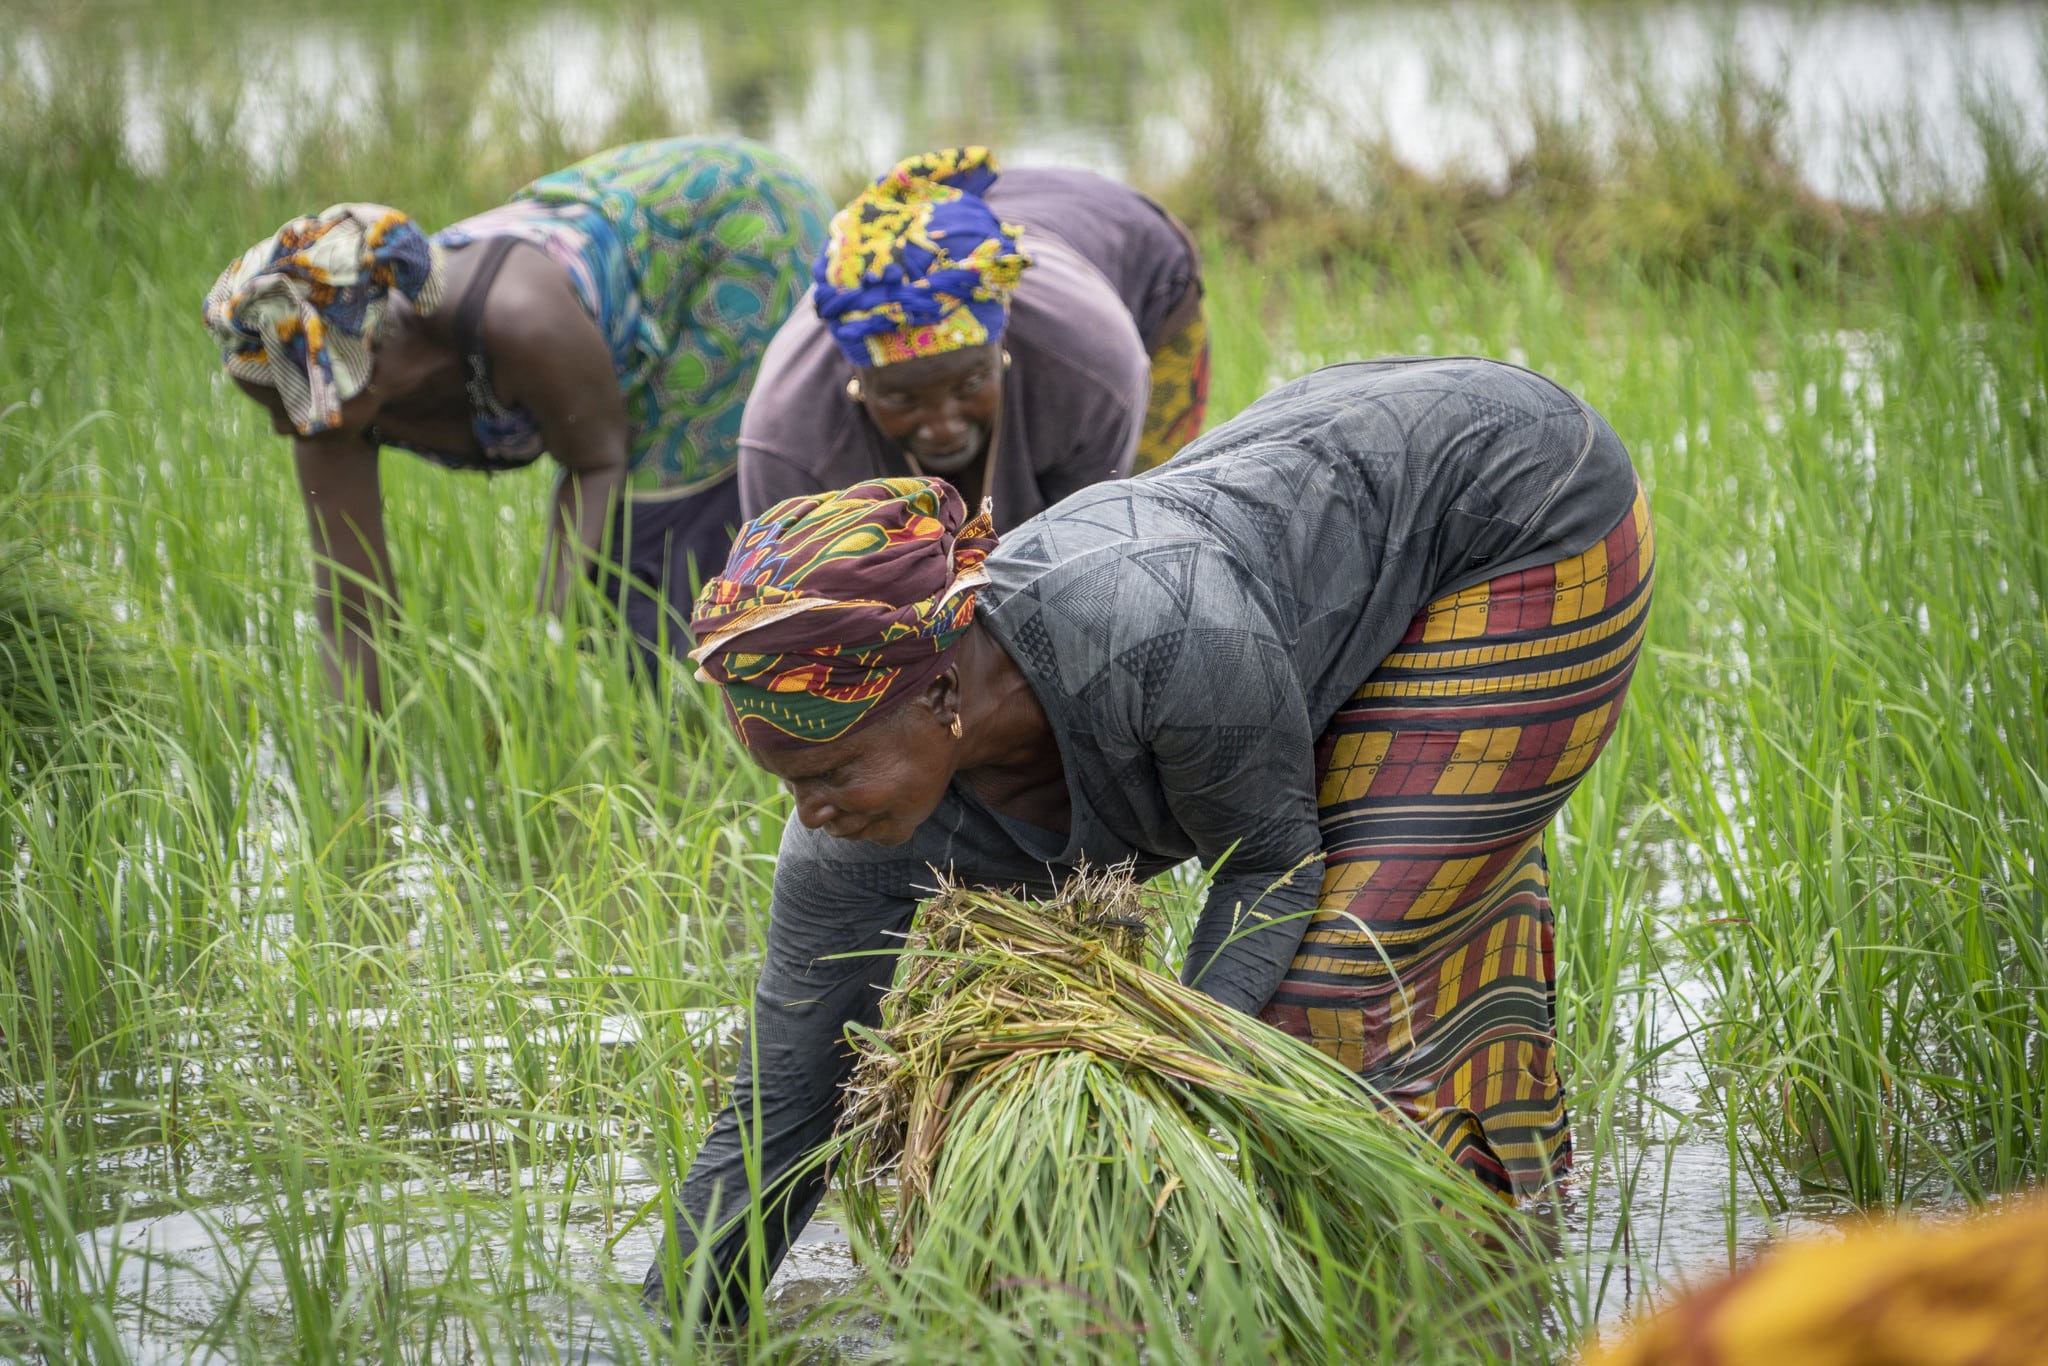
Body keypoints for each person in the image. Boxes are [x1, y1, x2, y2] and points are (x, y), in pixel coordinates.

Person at [646, 355, 1656, 1321]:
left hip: (1517, 507)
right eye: (788, 783)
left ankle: (1421, 1302)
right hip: (1316, 559)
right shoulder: (848, 840)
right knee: (1372, 917)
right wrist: (666, 1328)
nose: (811, 812)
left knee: (1324, 991)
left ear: (943, 689)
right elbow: (776, 1112)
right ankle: (1503, 1241)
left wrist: (1161, 1070)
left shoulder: (1154, 635)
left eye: (829, 773)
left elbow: (1269, 865)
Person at [201, 138, 832, 706]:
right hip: (631, 271)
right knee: (607, 618)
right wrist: (358, 777)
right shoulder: (326, 408)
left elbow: (595, 462)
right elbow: (351, 606)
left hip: (735, 232)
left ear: (372, 350)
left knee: (648, 567)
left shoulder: (517, 319)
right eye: (275, 404)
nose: (288, 430)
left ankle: (727, 724)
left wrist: (540, 637)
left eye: (291, 403)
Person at [735, 147, 1208, 533]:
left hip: (1140, 266)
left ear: (1000, 349)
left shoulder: (1090, 369)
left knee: (1146, 529)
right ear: (857, 379)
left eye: (968, 385)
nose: (941, 427)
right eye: (902, 398)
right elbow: (797, 610)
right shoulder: (786, 440)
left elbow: (1090, 559)